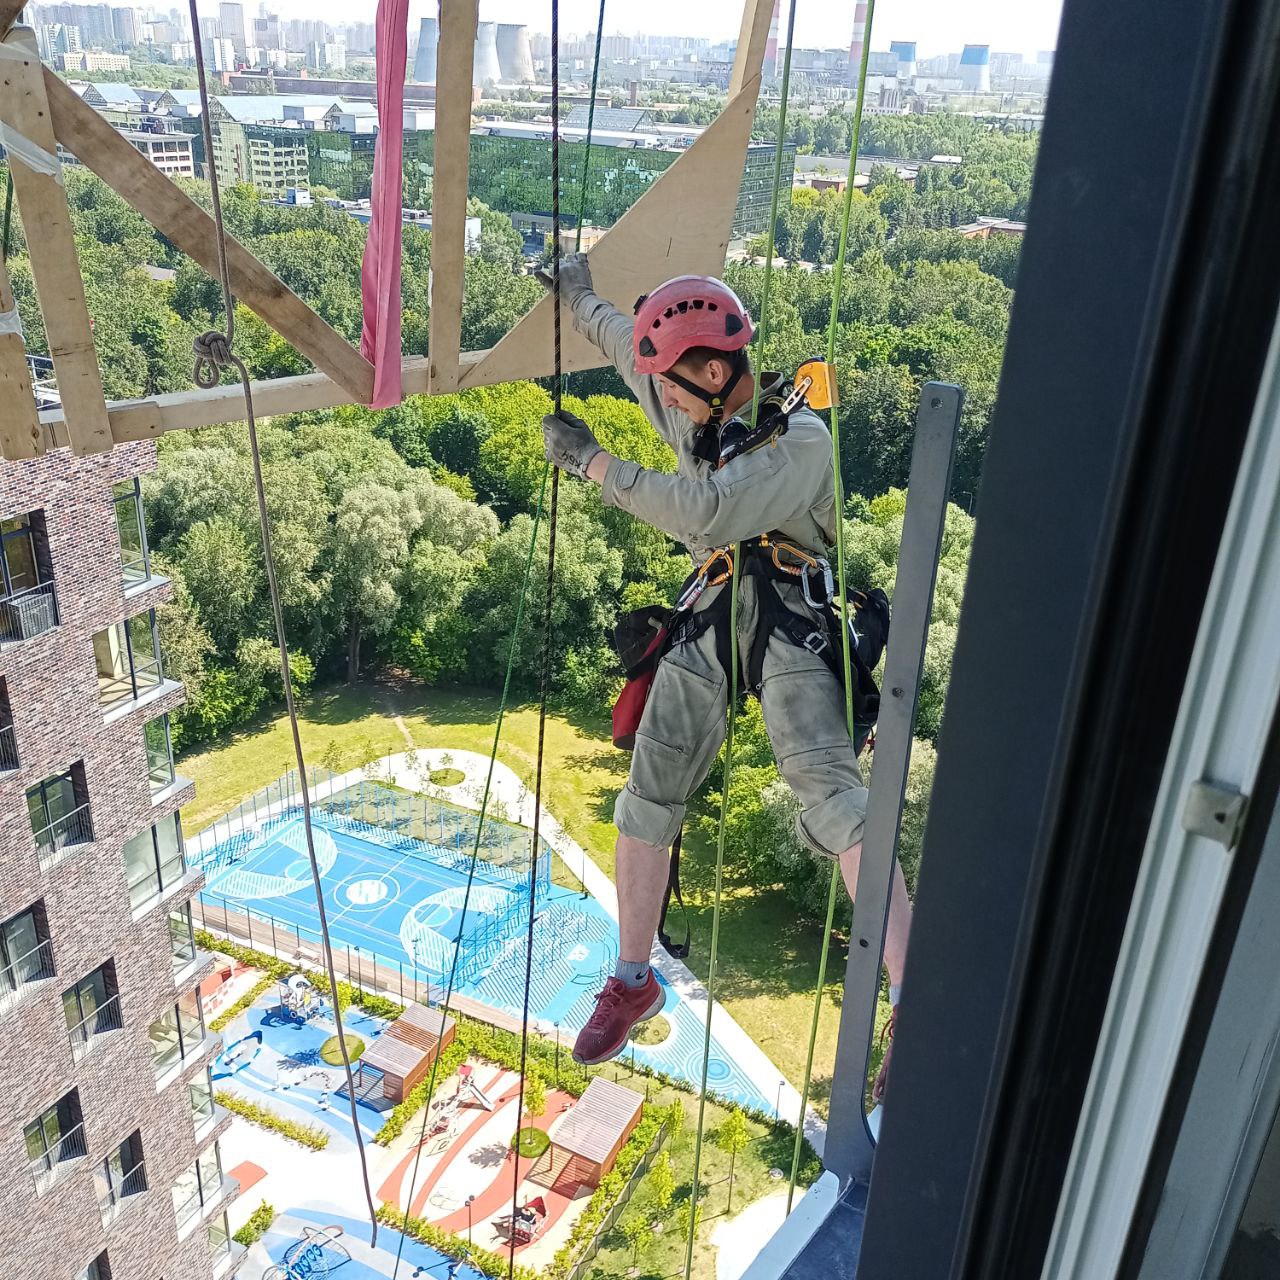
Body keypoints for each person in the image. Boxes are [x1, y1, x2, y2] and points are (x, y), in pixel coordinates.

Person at [540, 257, 913, 1099]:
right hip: (715, 605)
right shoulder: (695, 404)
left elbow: (705, 512)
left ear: (714, 375)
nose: (666, 403)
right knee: (647, 794)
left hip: (787, 610)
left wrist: (593, 463)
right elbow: (628, 351)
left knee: (834, 797)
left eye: (676, 389)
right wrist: (580, 295)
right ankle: (632, 980)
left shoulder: (801, 442)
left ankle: (910, 994)